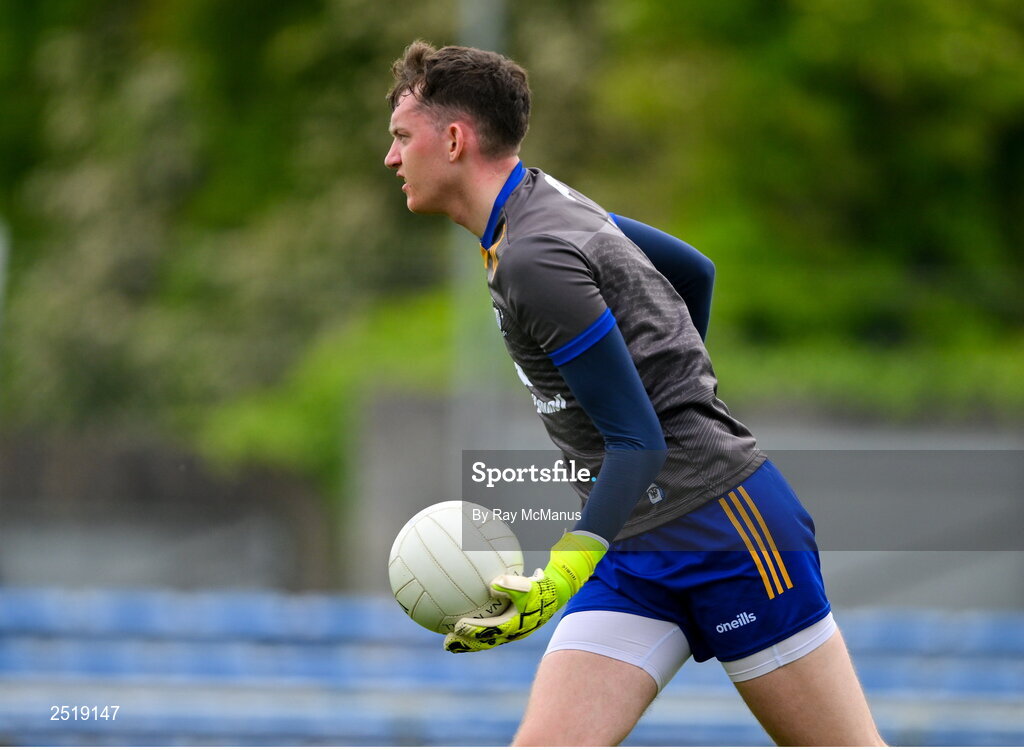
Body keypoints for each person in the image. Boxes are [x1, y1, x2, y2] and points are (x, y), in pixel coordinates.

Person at [384, 40, 885, 747]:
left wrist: (561, 575)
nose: (392, 157)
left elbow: (639, 441)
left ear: (455, 138)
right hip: (634, 547)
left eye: (402, 138)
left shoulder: (534, 255)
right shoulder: (536, 207)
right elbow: (694, 271)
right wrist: (675, 385)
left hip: (726, 533)